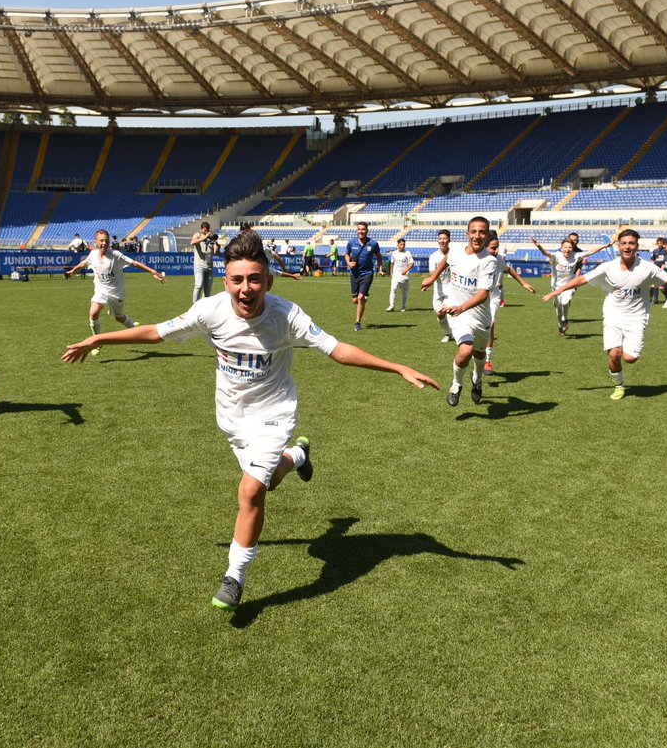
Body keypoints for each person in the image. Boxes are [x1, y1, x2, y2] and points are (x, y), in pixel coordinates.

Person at [61, 229, 438, 612]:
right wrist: (99, 339)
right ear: (225, 282)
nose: (246, 288)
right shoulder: (209, 310)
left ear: (268, 281)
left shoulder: (287, 315)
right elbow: (157, 333)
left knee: (250, 491)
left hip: (274, 415)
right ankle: (298, 457)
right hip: (232, 418)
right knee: (268, 482)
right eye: (237, 280)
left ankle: (234, 577)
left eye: (254, 279)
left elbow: (337, 350)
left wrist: (396, 367)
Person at [541, 228, 667, 400]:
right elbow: (581, 279)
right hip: (613, 315)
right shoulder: (608, 267)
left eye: (631, 243)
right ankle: (619, 386)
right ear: (618, 246)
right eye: (624, 243)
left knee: (630, 358)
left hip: (637, 317)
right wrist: (557, 291)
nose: (627, 246)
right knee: (614, 355)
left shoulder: (647, 268)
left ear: (637, 246)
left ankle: (627, 351)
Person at [420, 217, 497, 407]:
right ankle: (456, 385)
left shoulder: (489, 261)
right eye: (473, 232)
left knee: (479, 355)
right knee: (465, 349)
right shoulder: (455, 251)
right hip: (458, 314)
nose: (477, 236)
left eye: (482, 232)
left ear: (487, 235)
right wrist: (432, 278)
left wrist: (462, 307)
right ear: (467, 233)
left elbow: (483, 294)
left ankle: (477, 380)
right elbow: (446, 260)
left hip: (480, 317)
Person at [67, 229, 166, 352]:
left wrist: (153, 271)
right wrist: (75, 269)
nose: (104, 243)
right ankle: (96, 342)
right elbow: (84, 263)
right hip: (101, 290)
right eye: (101, 240)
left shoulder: (115, 255)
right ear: (96, 242)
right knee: (93, 313)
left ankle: (133, 329)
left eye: (106, 240)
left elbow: (134, 263)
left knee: (119, 318)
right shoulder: (92, 255)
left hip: (116, 292)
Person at [530, 236, 613, 336]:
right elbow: (546, 253)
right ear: (561, 248)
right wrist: (538, 245)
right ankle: (561, 325)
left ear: (572, 248)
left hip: (569, 286)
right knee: (558, 308)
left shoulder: (576, 256)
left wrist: (605, 246)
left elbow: (591, 252)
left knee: (565, 302)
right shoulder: (556, 255)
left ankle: (565, 320)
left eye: (569, 247)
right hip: (555, 286)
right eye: (565, 247)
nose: (567, 249)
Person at [483, 236, 536, 374]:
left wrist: (523, 283)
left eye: (497, 247)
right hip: (475, 297)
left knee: (490, 325)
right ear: (484, 246)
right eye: (493, 248)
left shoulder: (497, 259)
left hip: (493, 296)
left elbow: (508, 269)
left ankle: (487, 361)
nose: (496, 250)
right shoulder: (475, 258)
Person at [345, 222, 385, 332]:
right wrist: (348, 263)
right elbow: (347, 254)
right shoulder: (351, 242)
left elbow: (379, 256)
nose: (361, 231)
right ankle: (362, 301)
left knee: (360, 298)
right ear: (356, 230)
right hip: (354, 275)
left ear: (367, 230)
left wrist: (380, 269)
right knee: (355, 300)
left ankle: (357, 322)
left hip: (367, 274)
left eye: (363, 229)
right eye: (359, 229)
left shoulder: (373, 243)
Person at [426, 229, 453, 343]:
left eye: (444, 238)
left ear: (449, 240)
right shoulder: (433, 256)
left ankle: (455, 334)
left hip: (452, 289)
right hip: (438, 289)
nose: (442, 241)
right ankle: (448, 333)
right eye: (440, 239)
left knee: (451, 312)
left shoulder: (454, 254)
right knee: (440, 314)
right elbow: (432, 273)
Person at [189, 221, 219, 302]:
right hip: (199, 265)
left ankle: (204, 306)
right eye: (205, 230)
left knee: (208, 288)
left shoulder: (211, 239)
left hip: (209, 266)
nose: (206, 232)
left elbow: (215, 253)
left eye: (207, 230)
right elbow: (192, 242)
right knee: (199, 285)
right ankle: (195, 305)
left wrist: (217, 247)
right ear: (201, 229)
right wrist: (204, 237)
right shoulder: (197, 235)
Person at [385, 238, 416, 312]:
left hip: (404, 276)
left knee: (404, 292)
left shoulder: (407, 253)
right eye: (401, 244)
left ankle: (403, 306)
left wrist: (405, 270)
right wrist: (391, 273)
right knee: (393, 289)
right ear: (398, 245)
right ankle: (391, 306)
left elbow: (412, 263)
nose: (402, 246)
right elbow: (392, 263)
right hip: (396, 275)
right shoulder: (394, 253)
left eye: (404, 244)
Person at [648, 237, 667, 305]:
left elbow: (666, 261)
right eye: (658, 243)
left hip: (662, 270)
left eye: (661, 243)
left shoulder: (665, 251)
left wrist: (662, 269)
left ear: (663, 244)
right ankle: (653, 300)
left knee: (662, 287)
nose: (659, 244)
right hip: (655, 270)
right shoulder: (655, 251)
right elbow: (652, 260)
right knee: (653, 285)